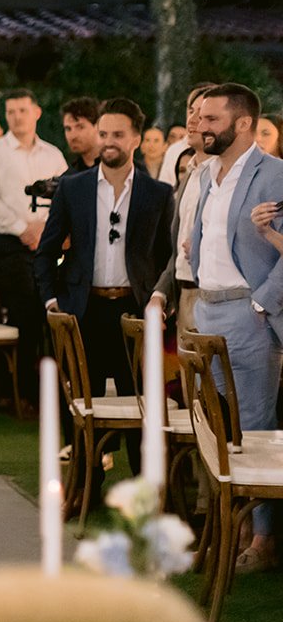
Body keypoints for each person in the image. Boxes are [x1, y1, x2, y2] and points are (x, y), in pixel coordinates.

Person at [176, 83, 283, 573]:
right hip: (207, 310)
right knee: (220, 428)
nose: (201, 126)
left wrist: (262, 303)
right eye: (200, 118)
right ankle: (231, 529)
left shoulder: (274, 174)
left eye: (212, 119)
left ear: (242, 124)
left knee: (256, 428)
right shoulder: (207, 173)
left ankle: (263, 539)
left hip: (249, 313)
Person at [35, 98, 173, 413]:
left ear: (136, 139)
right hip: (82, 310)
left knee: (139, 410)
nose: (109, 142)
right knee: (82, 410)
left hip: (135, 312)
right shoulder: (72, 188)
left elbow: (168, 258)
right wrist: (52, 301)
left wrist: (162, 303)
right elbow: (46, 252)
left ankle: (139, 451)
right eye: (104, 134)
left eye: (118, 135)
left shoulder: (158, 194)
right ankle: (85, 449)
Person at [0, 89, 68, 409]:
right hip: (7, 245)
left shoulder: (53, 154)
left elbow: (64, 196)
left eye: (22, 111)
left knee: (54, 308)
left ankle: (56, 388)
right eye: (11, 112)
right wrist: (22, 228)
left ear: (36, 112)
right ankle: (21, 393)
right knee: (26, 310)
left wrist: (44, 230)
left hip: (47, 242)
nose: (16, 117)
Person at [152, 87, 214, 337]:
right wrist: (160, 294)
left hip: (213, 299)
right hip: (183, 295)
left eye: (203, 114)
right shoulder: (188, 173)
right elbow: (177, 249)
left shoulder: (226, 176)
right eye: (191, 111)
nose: (192, 120)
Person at [158, 82, 215, 185]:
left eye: (202, 112)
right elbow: (165, 188)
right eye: (191, 110)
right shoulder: (174, 151)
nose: (191, 119)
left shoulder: (226, 162)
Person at [61, 97, 101, 171]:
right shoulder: (69, 174)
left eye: (80, 127)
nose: (73, 136)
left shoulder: (116, 168)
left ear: (98, 126)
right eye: (68, 129)